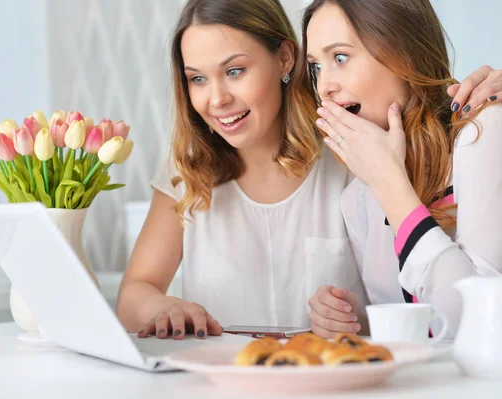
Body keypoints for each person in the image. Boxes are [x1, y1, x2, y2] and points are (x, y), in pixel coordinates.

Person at [116, 0, 369, 340]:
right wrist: (161, 308)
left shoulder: (350, 155)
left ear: (284, 58)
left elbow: (409, 302)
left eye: (234, 72)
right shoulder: (188, 171)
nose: (217, 99)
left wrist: (354, 319)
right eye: (198, 79)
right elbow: (135, 292)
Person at [304, 0, 502, 338]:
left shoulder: (484, 129)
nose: (324, 87)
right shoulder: (357, 197)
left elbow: (479, 323)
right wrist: (353, 319)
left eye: (339, 58)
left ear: (404, 55)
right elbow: (420, 331)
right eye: (316, 67)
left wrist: (389, 183)